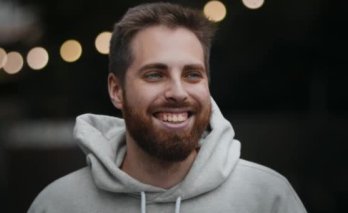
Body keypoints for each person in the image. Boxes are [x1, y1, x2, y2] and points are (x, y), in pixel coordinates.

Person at [28, 2, 307, 213]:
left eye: (192, 74)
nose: (177, 92)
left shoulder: (267, 198)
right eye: (155, 74)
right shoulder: (57, 205)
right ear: (117, 90)